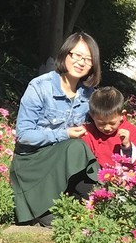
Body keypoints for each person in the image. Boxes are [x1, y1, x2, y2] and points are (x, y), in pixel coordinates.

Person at [10, 32, 102, 226]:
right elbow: (24, 135)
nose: (81, 62)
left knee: (80, 148)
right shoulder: (40, 87)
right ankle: (42, 204)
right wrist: (64, 133)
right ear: (65, 55)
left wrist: (134, 149)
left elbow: (106, 127)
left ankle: (100, 199)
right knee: (75, 146)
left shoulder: (89, 95)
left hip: (63, 163)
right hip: (32, 162)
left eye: (88, 59)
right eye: (76, 55)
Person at [81, 86, 136, 169]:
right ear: (92, 116)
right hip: (96, 175)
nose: (107, 128)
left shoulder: (131, 131)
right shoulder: (88, 132)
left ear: (122, 115)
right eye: (101, 123)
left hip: (122, 176)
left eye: (112, 123)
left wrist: (127, 146)